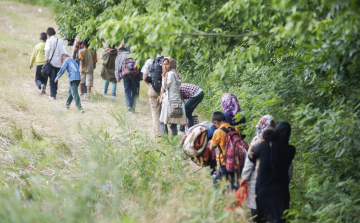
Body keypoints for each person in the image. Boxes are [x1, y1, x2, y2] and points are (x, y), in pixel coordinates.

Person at [249, 122, 296, 223]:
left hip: (263, 188)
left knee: (262, 218)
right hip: (281, 191)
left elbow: (251, 158)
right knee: (279, 219)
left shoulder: (263, 146)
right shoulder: (291, 150)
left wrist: (251, 149)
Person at [241, 115, 276, 221]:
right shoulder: (278, 140)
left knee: (256, 209)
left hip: (257, 180)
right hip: (275, 181)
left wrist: (244, 178)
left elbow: (249, 162)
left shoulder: (257, 140)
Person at [209, 111, 241, 191]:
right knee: (234, 185)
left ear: (215, 122)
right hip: (236, 162)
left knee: (219, 185)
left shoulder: (218, 132)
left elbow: (211, 148)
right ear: (226, 119)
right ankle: (236, 201)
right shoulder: (236, 130)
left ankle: (220, 201)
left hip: (224, 163)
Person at [158, 58, 186, 135]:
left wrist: (163, 77)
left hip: (169, 102)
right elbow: (172, 89)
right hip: (177, 101)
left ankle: (166, 141)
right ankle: (174, 143)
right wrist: (162, 96)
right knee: (173, 124)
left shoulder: (169, 74)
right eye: (163, 64)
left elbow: (165, 86)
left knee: (162, 122)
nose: (164, 66)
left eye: (167, 64)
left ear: (171, 65)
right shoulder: (175, 73)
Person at [44, 27, 70, 100]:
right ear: (55, 32)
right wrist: (70, 58)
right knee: (56, 78)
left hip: (52, 62)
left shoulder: (48, 41)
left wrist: (46, 59)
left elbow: (47, 50)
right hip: (59, 63)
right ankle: (54, 93)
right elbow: (65, 50)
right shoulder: (61, 41)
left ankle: (53, 95)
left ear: (48, 34)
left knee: (52, 79)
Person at [142, 53, 164, 136]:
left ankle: (158, 133)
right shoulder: (165, 60)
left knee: (155, 112)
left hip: (153, 89)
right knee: (162, 112)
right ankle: (164, 132)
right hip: (164, 90)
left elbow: (144, 78)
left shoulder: (149, 61)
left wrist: (152, 85)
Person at [115, 47, 139, 113]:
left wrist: (118, 77)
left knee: (127, 90)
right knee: (134, 90)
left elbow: (117, 67)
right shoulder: (134, 55)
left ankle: (129, 107)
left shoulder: (121, 56)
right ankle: (133, 106)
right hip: (134, 75)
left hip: (125, 75)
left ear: (120, 52)